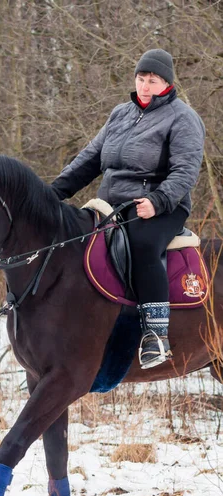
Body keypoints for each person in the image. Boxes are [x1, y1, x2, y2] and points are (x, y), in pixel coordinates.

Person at [52, 48, 206, 369]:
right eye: (141, 78)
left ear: (166, 84)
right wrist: (51, 193)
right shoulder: (120, 114)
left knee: (143, 244)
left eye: (152, 80)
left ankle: (156, 334)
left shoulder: (183, 118)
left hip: (161, 205)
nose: (145, 86)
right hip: (112, 204)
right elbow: (89, 161)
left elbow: (185, 171)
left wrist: (158, 201)